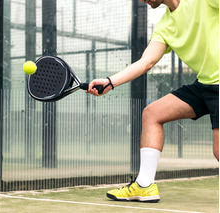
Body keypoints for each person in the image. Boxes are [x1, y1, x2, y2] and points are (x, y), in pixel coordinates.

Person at [86, 0, 219, 202]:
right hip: (205, 84)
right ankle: (145, 185)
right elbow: (145, 62)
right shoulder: (165, 26)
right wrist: (110, 82)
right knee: (152, 113)